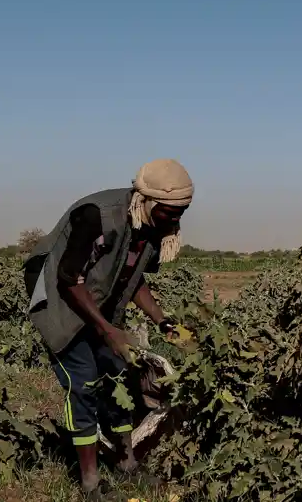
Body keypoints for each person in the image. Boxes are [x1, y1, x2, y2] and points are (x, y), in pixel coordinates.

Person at [23, 159, 193, 499]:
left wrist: (163, 322)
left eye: (181, 212)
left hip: (96, 304)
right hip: (60, 300)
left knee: (119, 374)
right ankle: (89, 484)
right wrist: (107, 330)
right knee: (83, 383)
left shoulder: (150, 227)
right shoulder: (96, 215)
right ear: (146, 200)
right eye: (169, 212)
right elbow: (68, 278)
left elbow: (134, 277)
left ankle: (128, 465)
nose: (175, 220)